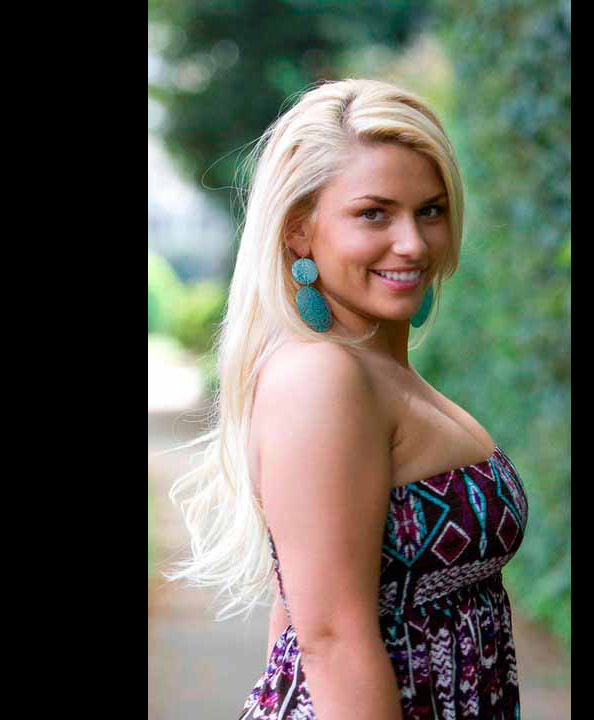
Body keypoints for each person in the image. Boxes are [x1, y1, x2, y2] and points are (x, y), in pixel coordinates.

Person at [168, 78, 529, 720]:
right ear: (299, 232)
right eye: (373, 214)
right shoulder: (321, 377)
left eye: (430, 211)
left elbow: (297, 610)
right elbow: (329, 640)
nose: (412, 243)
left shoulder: (376, 370)